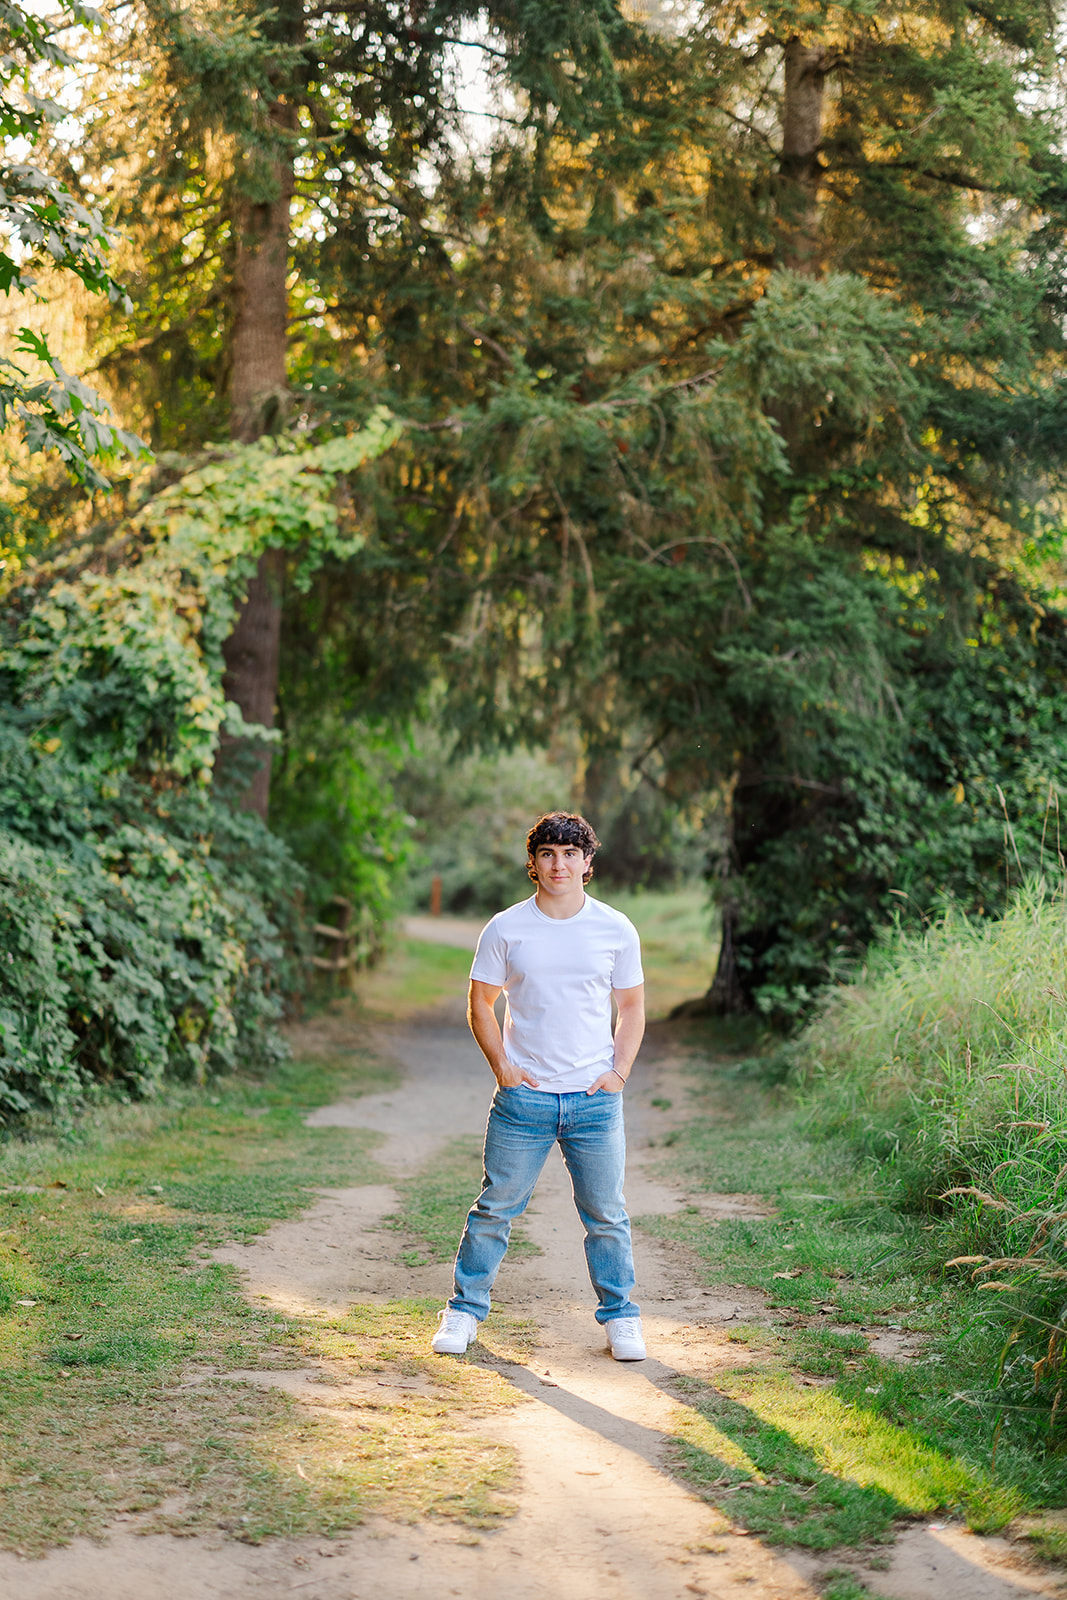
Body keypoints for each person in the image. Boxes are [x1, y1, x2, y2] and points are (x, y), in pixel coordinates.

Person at [430, 810, 647, 1361]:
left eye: (570, 854)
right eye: (548, 853)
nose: (559, 864)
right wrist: (503, 1067)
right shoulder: (506, 927)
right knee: (495, 1209)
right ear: (534, 862)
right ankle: (463, 1313)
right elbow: (481, 1002)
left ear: (587, 863)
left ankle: (621, 1318)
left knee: (606, 1215)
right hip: (524, 1098)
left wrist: (617, 1073)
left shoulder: (614, 928)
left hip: (594, 1101)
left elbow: (632, 1007)